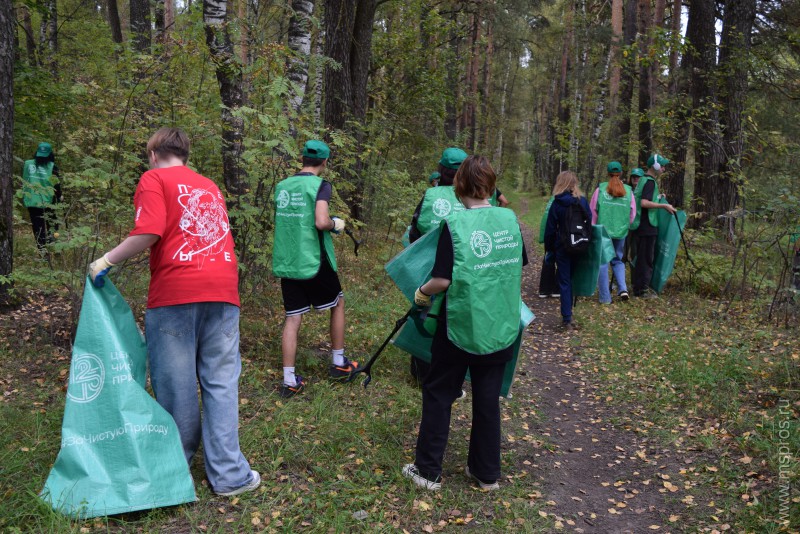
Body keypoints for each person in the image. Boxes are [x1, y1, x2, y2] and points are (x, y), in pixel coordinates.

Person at [88, 127, 259, 497]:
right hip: (224, 291)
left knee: (176, 386)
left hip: (177, 294)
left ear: (153, 154)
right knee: (221, 382)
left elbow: (148, 232)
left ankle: (173, 471)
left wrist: (106, 260)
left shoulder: (154, 179)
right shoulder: (209, 185)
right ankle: (229, 475)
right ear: (186, 154)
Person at [402, 155, 526, 491]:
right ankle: (486, 474)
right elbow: (517, 262)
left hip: (459, 324)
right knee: (487, 397)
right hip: (500, 325)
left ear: (458, 186)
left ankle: (427, 472)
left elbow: (441, 280)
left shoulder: (454, 226)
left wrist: (421, 293)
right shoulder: (509, 220)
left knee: (440, 392)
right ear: (491, 185)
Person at [272, 140, 356, 398]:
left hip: (288, 262)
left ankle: (289, 381)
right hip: (314, 260)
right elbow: (320, 221)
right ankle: (340, 364)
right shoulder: (321, 185)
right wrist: (335, 224)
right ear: (325, 162)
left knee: (293, 318)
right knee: (338, 303)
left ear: (302, 158)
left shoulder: (283, 186)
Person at [544, 170, 591, 330]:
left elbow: (550, 229)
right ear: (574, 183)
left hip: (562, 247)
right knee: (570, 279)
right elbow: (589, 222)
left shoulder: (557, 203)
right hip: (579, 245)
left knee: (564, 281)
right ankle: (569, 314)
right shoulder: (582, 201)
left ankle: (567, 319)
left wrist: (550, 249)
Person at [589, 161, 636, 303]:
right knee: (618, 260)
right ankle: (623, 289)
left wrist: (593, 229)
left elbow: (593, 211)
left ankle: (605, 297)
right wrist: (626, 226)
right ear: (621, 173)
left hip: (603, 232)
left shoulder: (600, 189)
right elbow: (633, 213)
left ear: (607, 173)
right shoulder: (628, 191)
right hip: (621, 232)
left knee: (603, 262)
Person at [630, 155, 676, 297]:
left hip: (641, 226)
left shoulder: (643, 180)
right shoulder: (649, 182)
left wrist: (658, 197)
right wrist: (663, 205)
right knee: (646, 259)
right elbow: (644, 203)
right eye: (662, 165)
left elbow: (644, 199)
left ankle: (638, 288)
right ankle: (642, 291)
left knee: (642, 257)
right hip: (647, 226)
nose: (663, 168)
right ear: (654, 166)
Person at [408, 148, 469, 244]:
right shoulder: (473, 196)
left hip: (429, 255)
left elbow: (414, 233)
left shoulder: (430, 194)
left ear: (441, 169)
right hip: (461, 255)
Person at [21, 142, 61, 249]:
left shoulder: (27, 164)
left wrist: (24, 196)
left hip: (32, 200)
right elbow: (57, 187)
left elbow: (24, 181)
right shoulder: (53, 167)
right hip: (49, 202)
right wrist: (59, 198)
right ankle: (53, 248)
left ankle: (43, 252)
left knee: (38, 228)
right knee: (53, 225)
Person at [538, 196, 559, 298]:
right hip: (560, 236)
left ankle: (544, 290)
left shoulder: (552, 199)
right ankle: (557, 289)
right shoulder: (564, 200)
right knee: (561, 261)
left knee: (548, 260)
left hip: (549, 235)